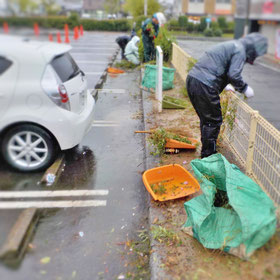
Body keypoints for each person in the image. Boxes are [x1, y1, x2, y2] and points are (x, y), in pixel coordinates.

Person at [186, 32, 268, 159]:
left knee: (206, 120)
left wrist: (225, 84)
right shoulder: (240, 50)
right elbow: (233, 74)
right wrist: (244, 88)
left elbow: (219, 66)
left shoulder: (233, 45)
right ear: (252, 49)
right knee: (213, 121)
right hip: (205, 84)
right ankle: (208, 157)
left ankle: (206, 152)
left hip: (193, 79)